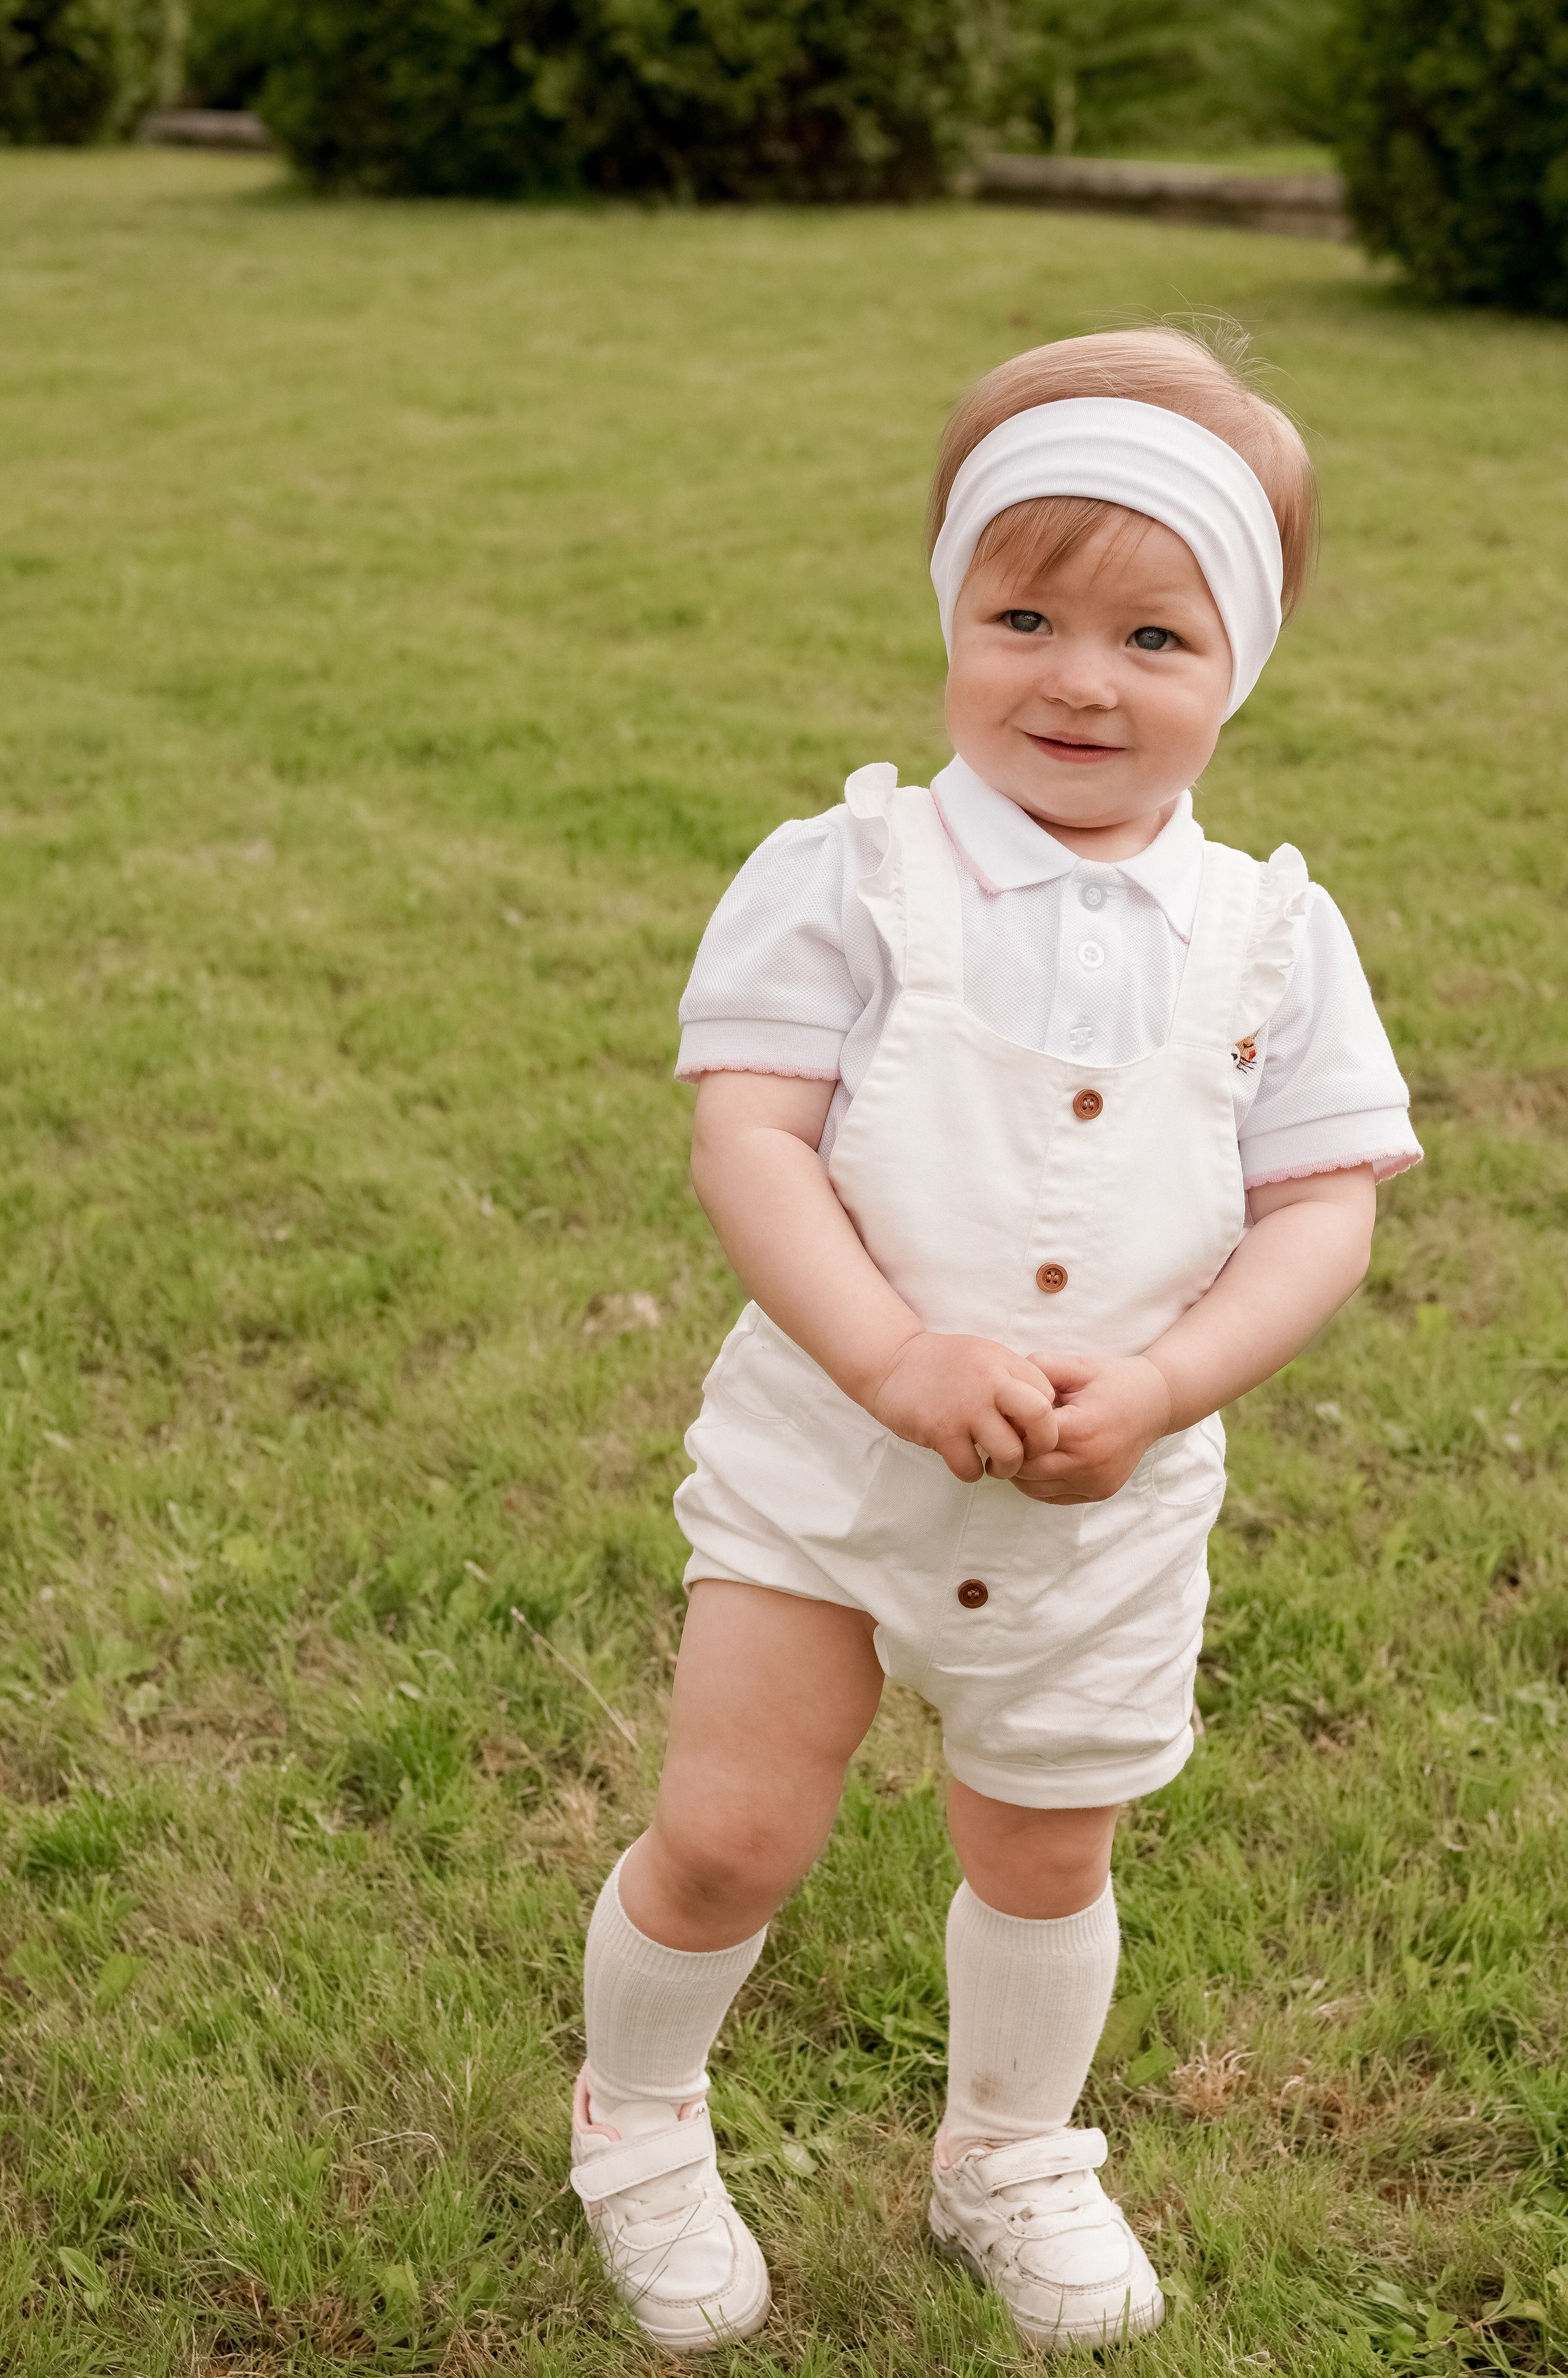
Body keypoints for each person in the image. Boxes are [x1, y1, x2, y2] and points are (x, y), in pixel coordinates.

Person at [567, 326, 1421, 2354]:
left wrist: (1165, 1386)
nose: (1079, 680)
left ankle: (1010, 2150)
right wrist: (891, 1359)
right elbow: (751, 1136)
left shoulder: (1274, 936)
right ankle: (639, 2116)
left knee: (1046, 1854)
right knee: (733, 1830)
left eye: (1155, 637)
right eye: (1022, 617)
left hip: (1101, 1512)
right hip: (828, 1472)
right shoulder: (849, 876)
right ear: (951, 613)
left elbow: (1325, 1209)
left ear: (1241, 667)